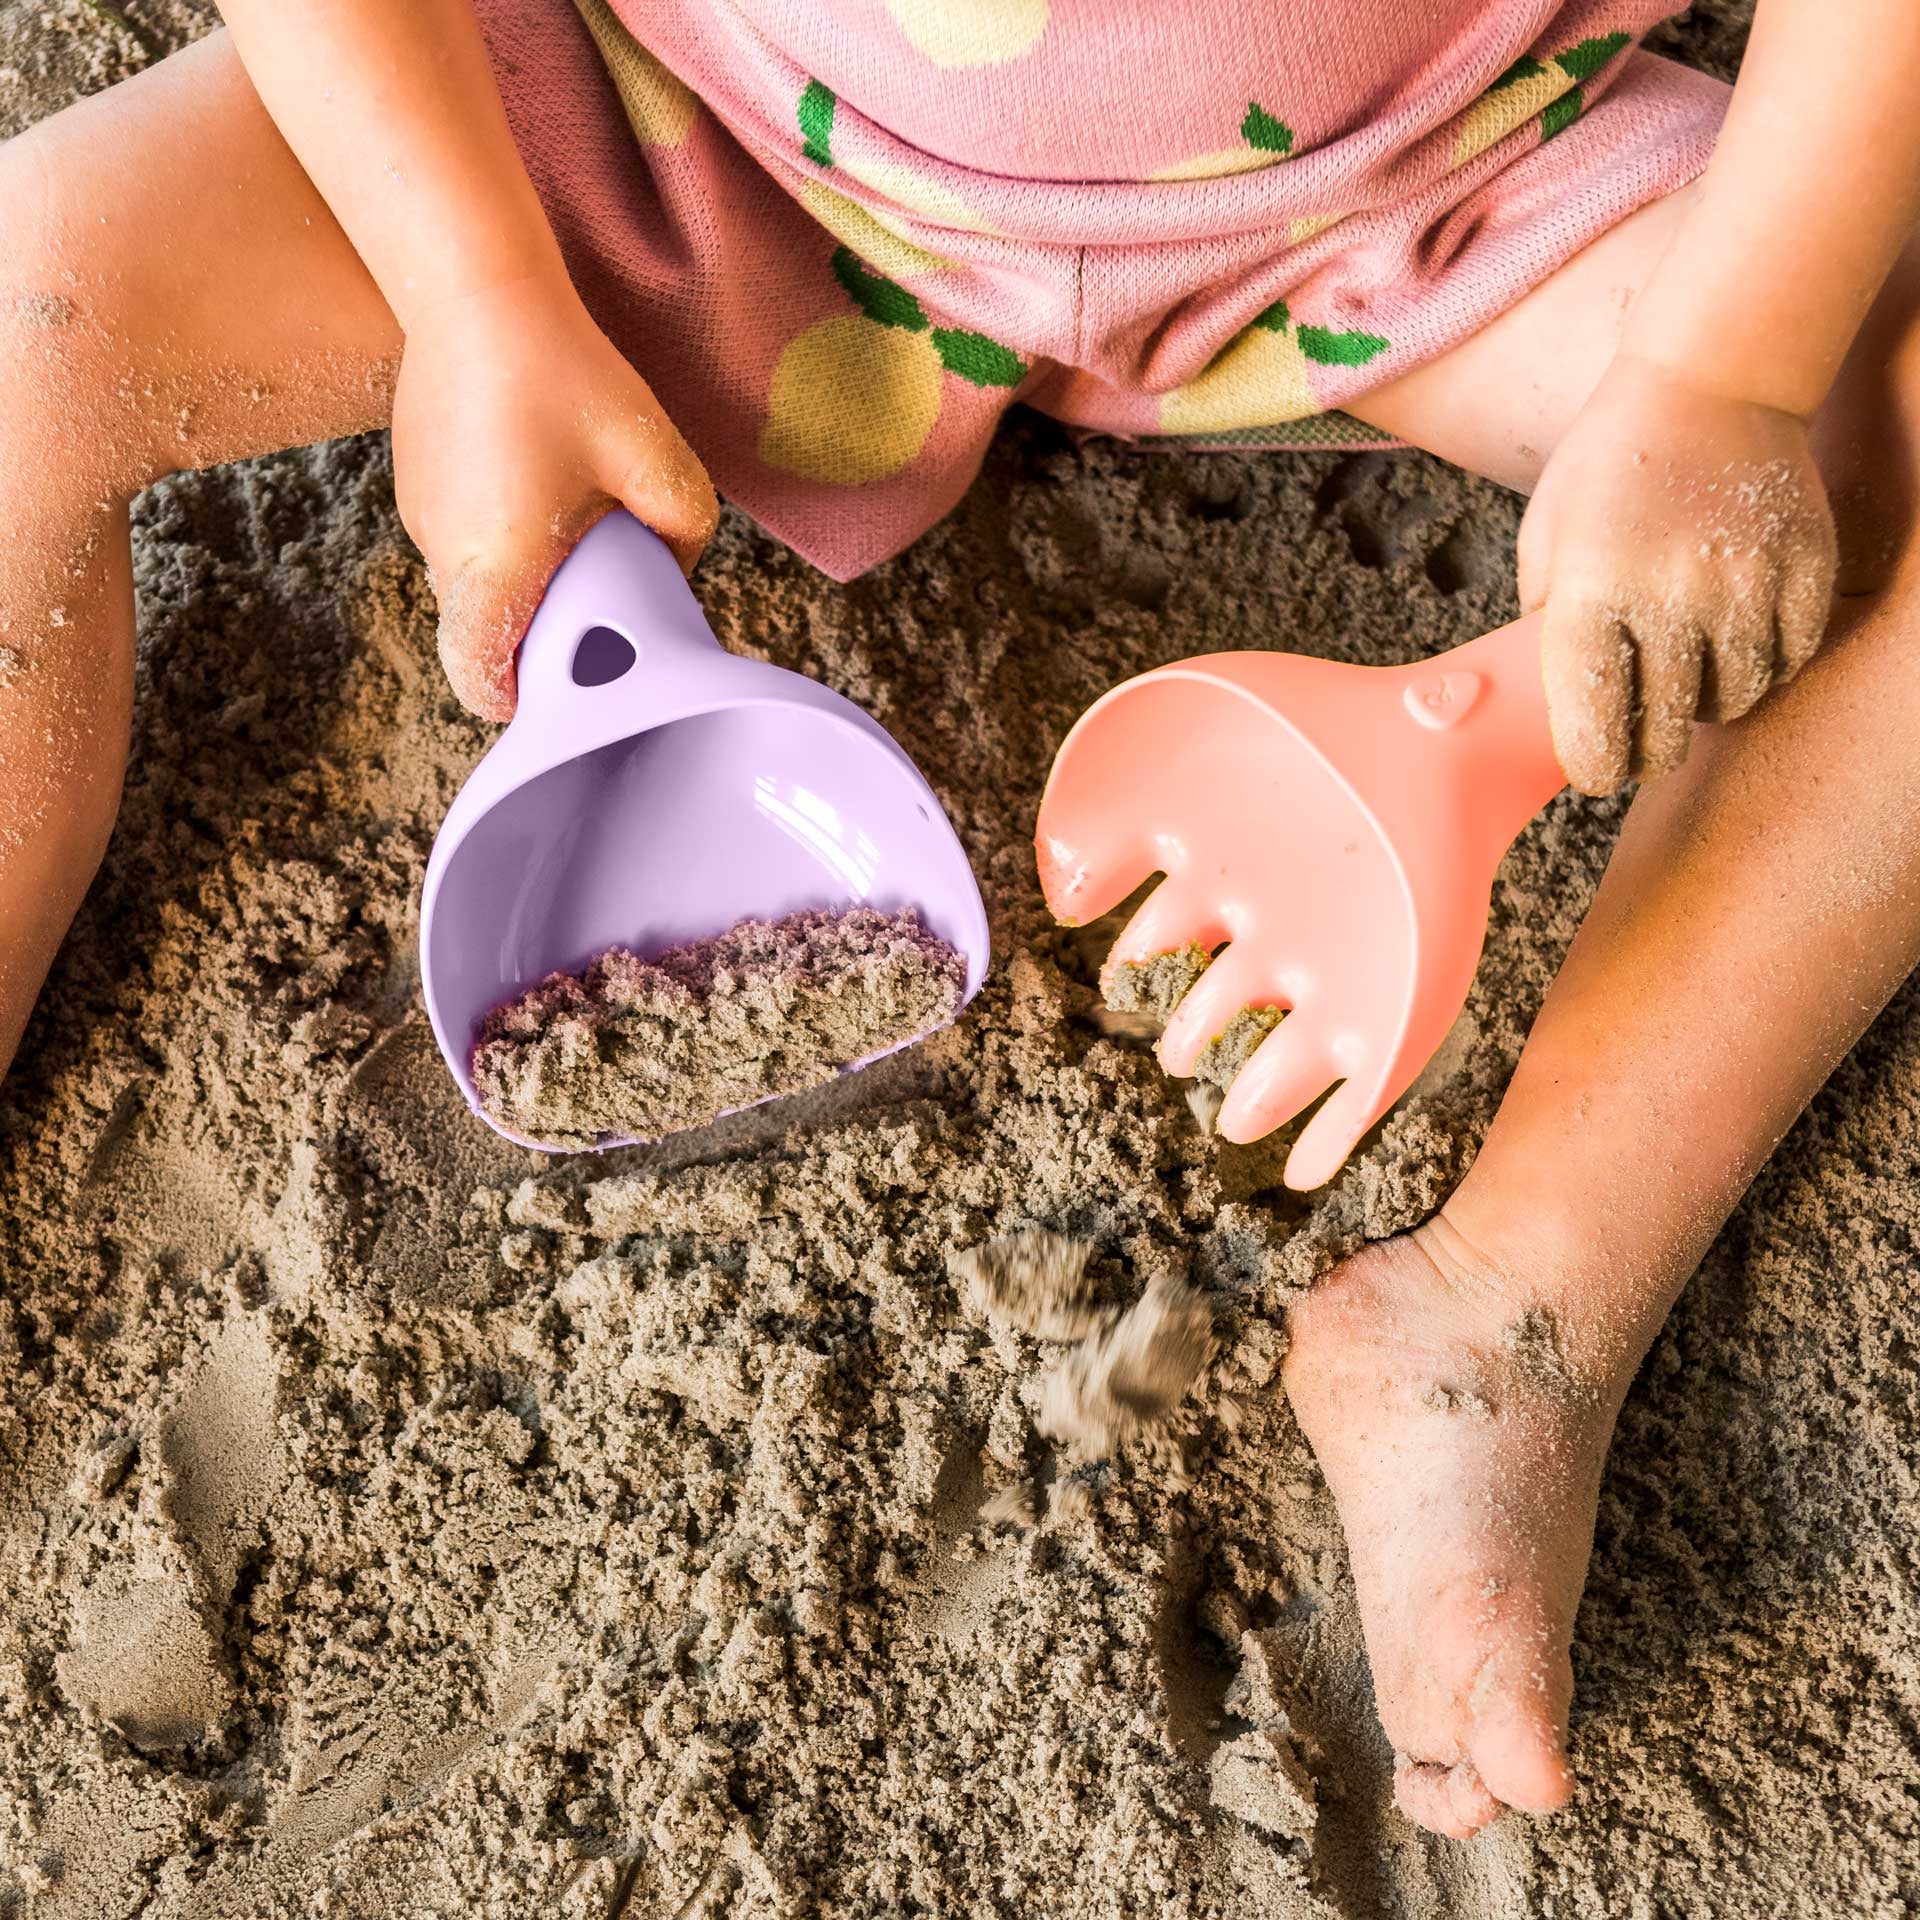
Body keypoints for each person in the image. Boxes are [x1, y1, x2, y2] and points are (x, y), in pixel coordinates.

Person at [2, 0, 1917, 1841]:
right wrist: (473, 290)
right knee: (40, 302)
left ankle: (1509, 1308)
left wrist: (1728, 369)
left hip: (1406, 175)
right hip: (678, 117)